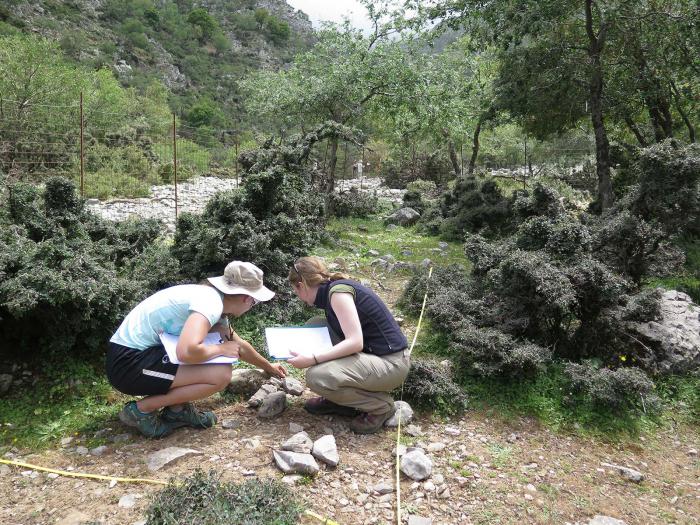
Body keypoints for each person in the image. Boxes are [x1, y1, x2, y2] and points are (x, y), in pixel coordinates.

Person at [107, 260, 286, 438]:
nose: (251, 306)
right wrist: (221, 350)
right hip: (128, 365)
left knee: (215, 367)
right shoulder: (209, 304)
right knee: (220, 375)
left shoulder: (213, 300)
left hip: (140, 357)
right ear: (246, 298)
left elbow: (239, 346)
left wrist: (268, 367)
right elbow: (186, 351)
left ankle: (177, 410)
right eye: (254, 302)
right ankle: (141, 410)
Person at [287, 256, 410, 434]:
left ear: (301, 285)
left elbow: (355, 342)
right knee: (315, 325)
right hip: (374, 356)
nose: (297, 296)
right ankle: (339, 400)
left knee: (316, 376)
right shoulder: (332, 289)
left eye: (295, 290)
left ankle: (380, 407)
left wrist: (313, 359)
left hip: (392, 365)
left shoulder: (338, 294)